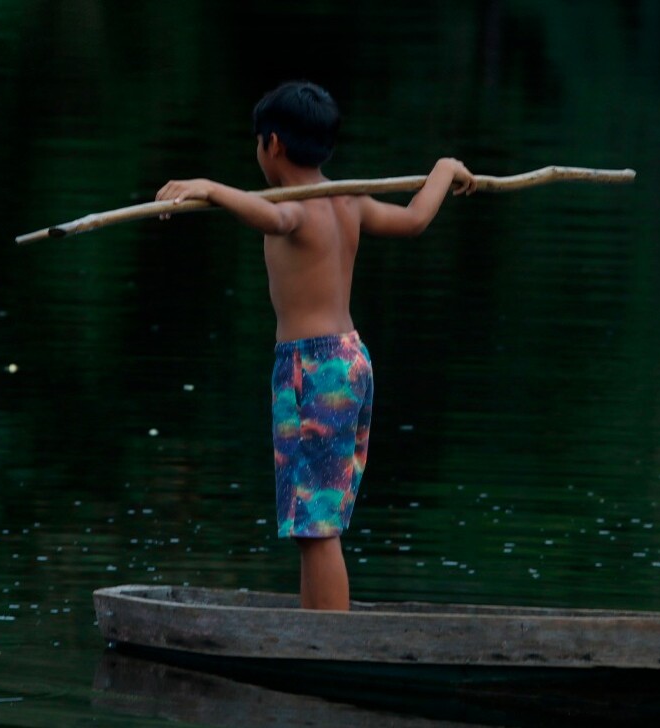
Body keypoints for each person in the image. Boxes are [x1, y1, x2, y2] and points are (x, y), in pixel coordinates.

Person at [155, 81, 476, 610]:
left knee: (317, 525)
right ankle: (314, 632)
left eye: (257, 142)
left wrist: (208, 187)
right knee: (314, 524)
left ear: (273, 145)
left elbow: (271, 216)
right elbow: (416, 219)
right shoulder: (348, 200)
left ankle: (328, 642)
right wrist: (445, 169)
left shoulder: (295, 210)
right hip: (351, 360)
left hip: (313, 368)